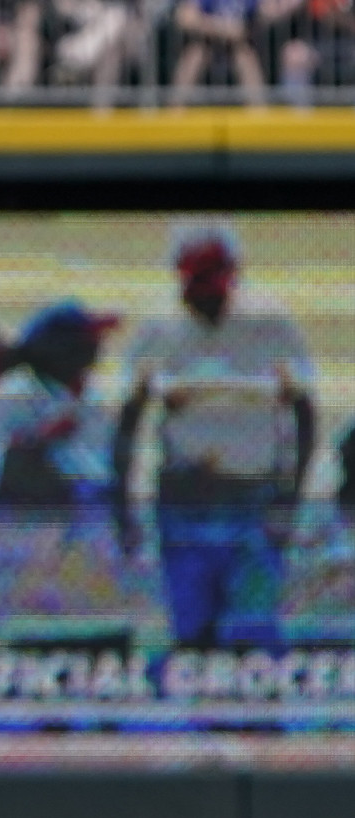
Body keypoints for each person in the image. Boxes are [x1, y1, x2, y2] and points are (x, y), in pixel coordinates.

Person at [113, 228, 316, 649]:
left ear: (231, 276)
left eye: (209, 278)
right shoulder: (157, 330)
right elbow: (128, 420)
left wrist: (292, 495)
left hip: (254, 496)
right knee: (191, 631)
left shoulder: (270, 326)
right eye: (191, 279)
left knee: (253, 631)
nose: (198, 290)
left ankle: (255, 715)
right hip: (183, 498)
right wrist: (123, 505)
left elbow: (304, 412)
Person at [0, 300, 120, 512]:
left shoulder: (89, 394)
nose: (97, 348)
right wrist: (39, 439)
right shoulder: (13, 393)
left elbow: (98, 463)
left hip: (86, 505)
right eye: (89, 342)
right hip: (27, 511)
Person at [169, 0, 267, 103]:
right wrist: (221, 28)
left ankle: (258, 113)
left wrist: (245, 29)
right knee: (194, 55)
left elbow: (267, 12)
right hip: (207, 42)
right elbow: (185, 17)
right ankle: (175, 111)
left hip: (239, 44)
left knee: (246, 57)